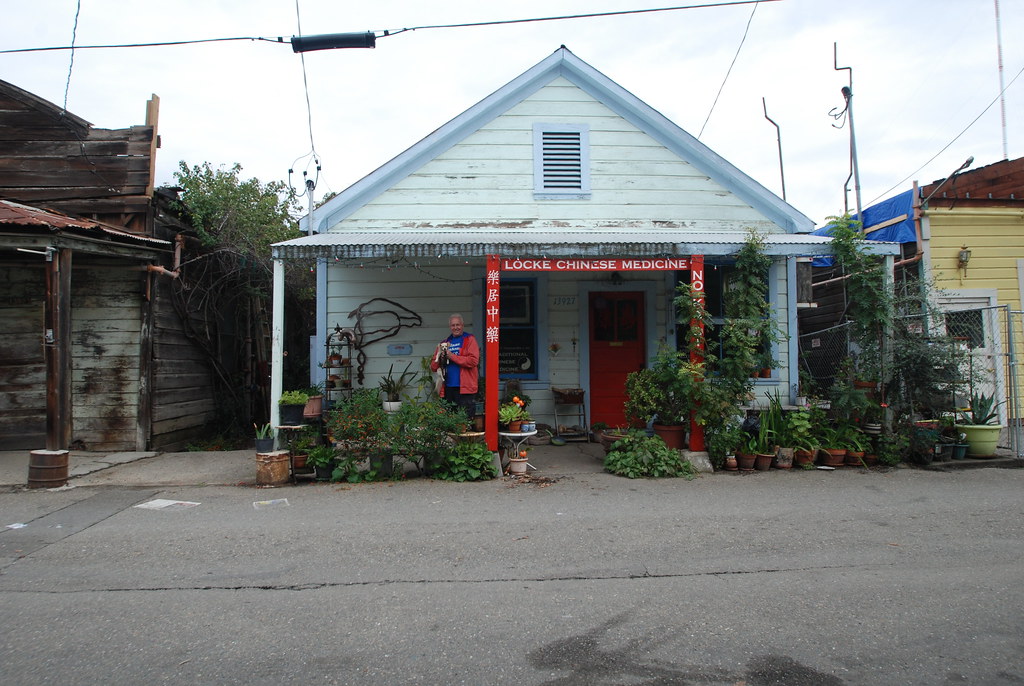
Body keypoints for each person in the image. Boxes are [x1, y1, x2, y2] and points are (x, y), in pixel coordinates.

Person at [430, 313, 479, 421]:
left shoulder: (469, 339)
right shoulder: (444, 343)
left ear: (462, 325)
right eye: (453, 325)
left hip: (465, 389)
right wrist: (440, 357)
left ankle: (465, 439)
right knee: (450, 421)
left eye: (458, 325)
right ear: (450, 327)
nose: (455, 327)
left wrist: (452, 356)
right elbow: (433, 366)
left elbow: (473, 361)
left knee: (465, 420)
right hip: (448, 388)